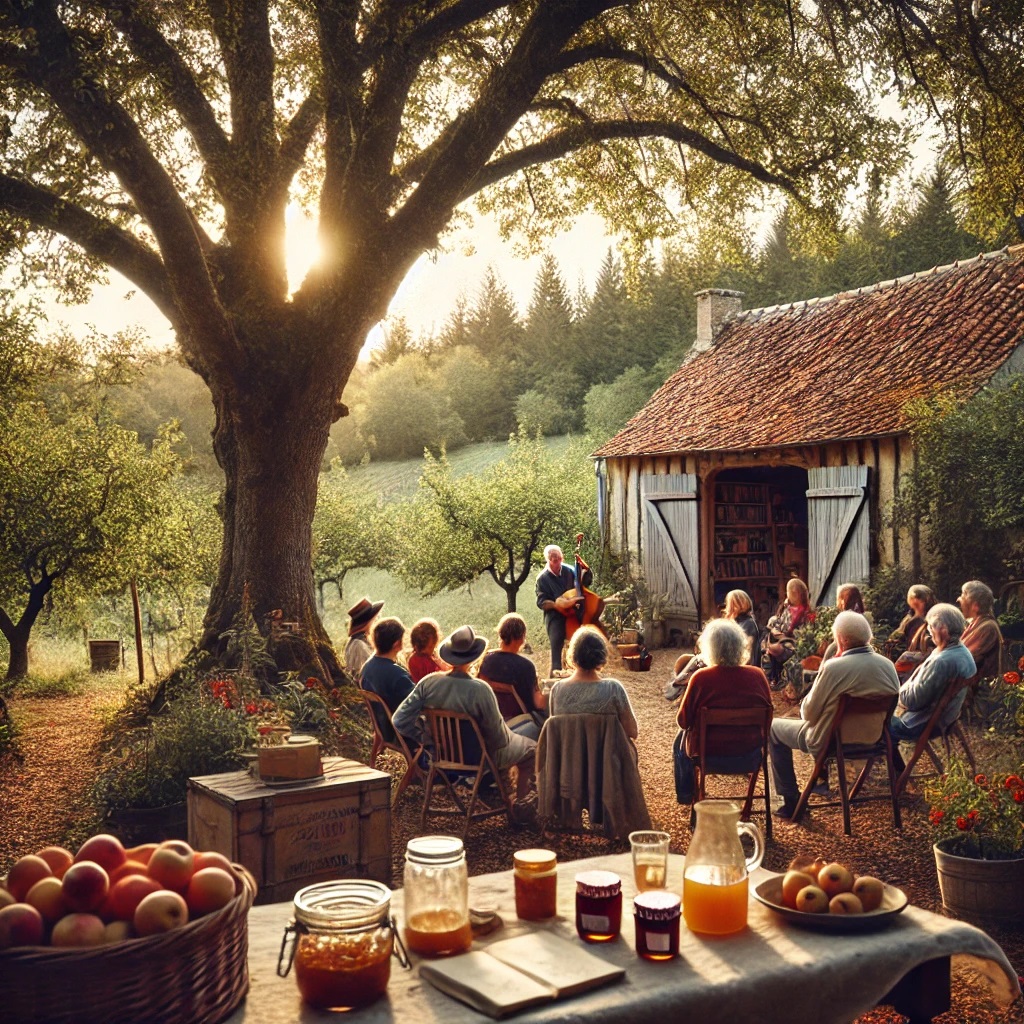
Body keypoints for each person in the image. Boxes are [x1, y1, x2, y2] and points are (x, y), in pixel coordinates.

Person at [391, 625, 537, 816]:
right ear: (473, 656)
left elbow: (399, 720)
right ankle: (520, 810)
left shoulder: (428, 683)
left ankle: (499, 793)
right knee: (531, 749)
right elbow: (498, 739)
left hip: (442, 757)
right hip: (479, 758)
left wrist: (427, 740)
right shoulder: (481, 690)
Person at [769, 611, 899, 821]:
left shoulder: (834, 668)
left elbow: (808, 714)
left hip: (830, 742)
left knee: (773, 727)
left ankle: (791, 801)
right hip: (875, 740)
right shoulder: (888, 666)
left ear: (842, 639)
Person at [673, 618, 773, 802]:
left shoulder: (701, 678)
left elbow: (683, 721)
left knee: (679, 739)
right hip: (749, 755)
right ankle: (747, 803)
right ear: (741, 646)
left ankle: (688, 796)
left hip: (708, 757)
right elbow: (768, 721)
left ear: (709, 648)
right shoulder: (758, 676)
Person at [889, 603, 977, 772]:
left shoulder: (941, 662)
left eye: (931, 627)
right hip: (948, 717)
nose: (929, 632)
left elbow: (912, 701)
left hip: (926, 722)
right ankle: (899, 772)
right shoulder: (962, 651)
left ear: (943, 629)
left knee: (882, 725)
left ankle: (898, 775)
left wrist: (901, 686)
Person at [664, 589, 759, 701]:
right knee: (684, 659)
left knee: (698, 663)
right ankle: (680, 687)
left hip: (734, 664)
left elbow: (745, 652)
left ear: (735, 604)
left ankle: (680, 687)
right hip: (725, 660)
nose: (727, 607)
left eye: (729, 603)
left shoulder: (748, 624)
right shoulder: (736, 621)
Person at [548, 626, 638, 743]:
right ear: (602, 656)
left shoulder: (557, 690)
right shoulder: (614, 689)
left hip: (570, 760)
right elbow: (632, 732)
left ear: (572, 655)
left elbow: (555, 735)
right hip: (606, 760)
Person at [478, 613, 548, 733]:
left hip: (493, 720)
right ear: (522, 638)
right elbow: (539, 703)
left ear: (500, 634)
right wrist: (550, 694)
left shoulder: (486, 659)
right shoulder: (526, 666)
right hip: (521, 724)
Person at [536, 543, 589, 674]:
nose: (557, 562)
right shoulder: (542, 578)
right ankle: (555, 674)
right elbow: (541, 602)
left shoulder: (570, 571)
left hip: (573, 612)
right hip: (555, 615)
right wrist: (557, 604)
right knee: (556, 641)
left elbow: (581, 587)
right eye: (554, 560)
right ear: (548, 560)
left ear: (562, 558)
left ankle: (582, 671)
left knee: (583, 638)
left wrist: (585, 571)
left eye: (559, 559)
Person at [359, 618, 415, 744]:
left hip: (384, 730)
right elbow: (419, 705)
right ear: (396, 644)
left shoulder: (367, 668)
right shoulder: (398, 675)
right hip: (403, 734)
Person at [762, 578, 813, 689]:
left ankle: (777, 678)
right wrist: (776, 630)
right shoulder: (788, 609)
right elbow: (780, 623)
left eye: (790, 593)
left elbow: (802, 636)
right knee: (768, 642)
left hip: (796, 644)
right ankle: (773, 677)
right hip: (783, 639)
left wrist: (783, 636)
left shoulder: (806, 612)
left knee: (775, 648)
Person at [957, 580, 1004, 692]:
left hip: (980, 694)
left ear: (975, 606)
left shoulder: (988, 627)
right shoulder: (975, 623)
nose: (958, 599)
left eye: (963, 596)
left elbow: (962, 659)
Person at [888, 585, 937, 680]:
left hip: (918, 661)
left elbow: (899, 639)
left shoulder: (914, 621)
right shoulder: (913, 618)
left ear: (914, 600)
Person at [344, 596, 383, 679]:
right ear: (367, 622)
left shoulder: (363, 640)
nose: (377, 622)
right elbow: (368, 675)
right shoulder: (358, 644)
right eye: (375, 619)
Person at [407, 618, 448, 683]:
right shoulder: (418, 661)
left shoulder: (412, 659)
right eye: (421, 648)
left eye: (429, 647)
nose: (425, 651)